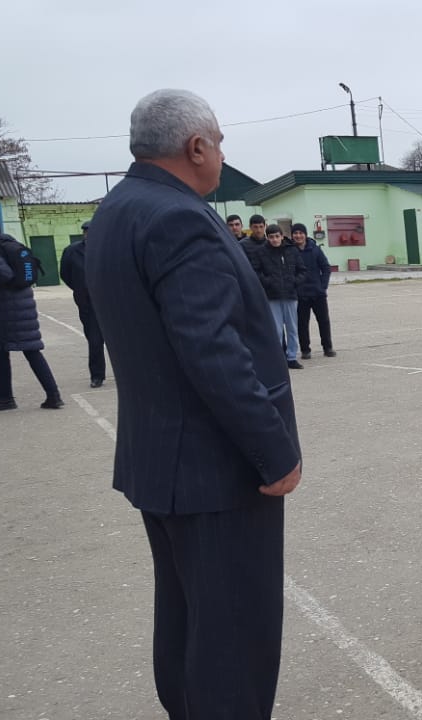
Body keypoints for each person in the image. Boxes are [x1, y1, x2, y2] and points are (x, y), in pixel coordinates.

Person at [86, 89, 302, 719]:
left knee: (187, 619)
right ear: (197, 146)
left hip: (163, 461)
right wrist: (274, 455)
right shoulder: (178, 217)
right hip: (217, 471)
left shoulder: (119, 209)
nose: (223, 155)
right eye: (221, 142)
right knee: (234, 636)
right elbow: (214, 352)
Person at [0, 214, 63, 413]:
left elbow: (4, 274)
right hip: (25, 306)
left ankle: (5, 398)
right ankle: (54, 395)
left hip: (7, 310)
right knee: (31, 350)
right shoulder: (13, 244)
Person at [58, 220, 107, 387]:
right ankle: (97, 376)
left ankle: (128, 373)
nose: (89, 235)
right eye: (86, 232)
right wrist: (80, 288)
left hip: (111, 302)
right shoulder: (72, 251)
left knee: (120, 340)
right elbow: (65, 274)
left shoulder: (108, 248)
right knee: (95, 340)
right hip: (87, 303)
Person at [251, 224, 306, 368]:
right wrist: (268, 282)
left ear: (282, 236)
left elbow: (302, 270)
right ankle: (278, 359)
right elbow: (256, 271)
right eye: (271, 237)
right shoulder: (261, 252)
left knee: (292, 329)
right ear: (267, 238)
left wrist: (294, 282)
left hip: (290, 296)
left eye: (277, 236)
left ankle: (292, 357)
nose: (274, 239)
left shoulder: (292, 250)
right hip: (272, 297)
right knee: (276, 330)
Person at [292, 223, 335, 359]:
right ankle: (305, 350)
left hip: (318, 293)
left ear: (305, 235)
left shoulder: (315, 250)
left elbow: (326, 268)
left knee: (324, 321)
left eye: (301, 233)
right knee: (302, 324)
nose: (298, 236)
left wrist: (323, 286)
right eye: (295, 233)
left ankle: (327, 348)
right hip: (300, 295)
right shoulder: (290, 251)